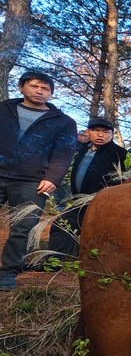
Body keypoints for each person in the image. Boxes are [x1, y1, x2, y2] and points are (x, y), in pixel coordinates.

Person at [0, 71, 77, 290]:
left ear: (51, 94)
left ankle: (7, 272)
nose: (40, 91)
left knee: (23, 229)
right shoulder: (3, 109)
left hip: (32, 182)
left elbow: (63, 154)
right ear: (22, 87)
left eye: (45, 89)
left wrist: (52, 178)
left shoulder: (64, 122)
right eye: (35, 86)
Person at [48, 117, 129, 258]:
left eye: (105, 131)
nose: (100, 135)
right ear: (88, 132)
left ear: (112, 134)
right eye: (96, 130)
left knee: (100, 234)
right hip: (79, 201)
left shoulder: (121, 154)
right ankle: (53, 261)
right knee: (62, 225)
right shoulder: (84, 149)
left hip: (104, 204)